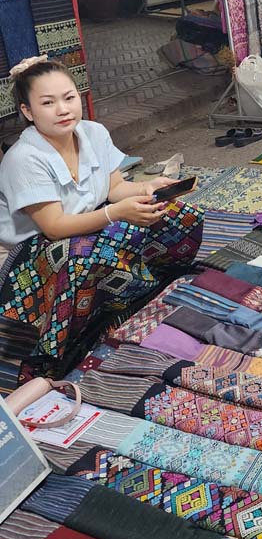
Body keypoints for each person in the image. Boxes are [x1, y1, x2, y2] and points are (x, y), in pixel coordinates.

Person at [0, 56, 204, 378]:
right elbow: (53, 228)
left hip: (89, 222)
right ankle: (56, 350)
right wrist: (115, 214)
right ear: (27, 111)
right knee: (83, 256)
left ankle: (140, 293)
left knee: (178, 217)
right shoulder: (24, 158)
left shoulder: (92, 133)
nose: (63, 109)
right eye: (48, 102)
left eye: (69, 98)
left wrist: (148, 187)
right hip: (33, 250)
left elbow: (115, 188)